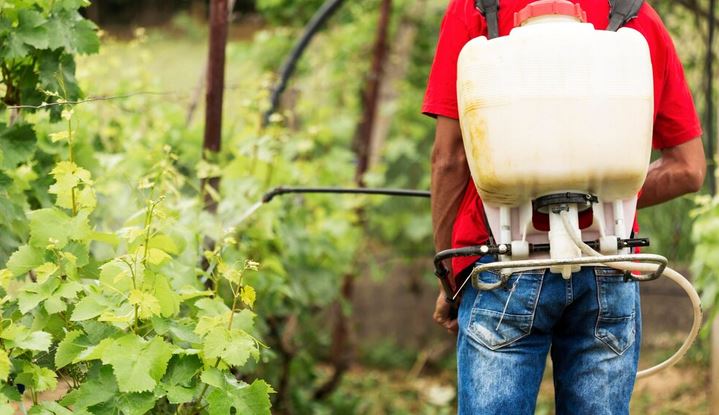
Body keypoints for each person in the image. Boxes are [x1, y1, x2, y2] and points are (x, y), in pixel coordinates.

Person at [422, 0, 706, 413]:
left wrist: (449, 277)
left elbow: (450, 159)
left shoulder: (477, 9)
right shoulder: (635, 14)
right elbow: (689, 168)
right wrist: (595, 193)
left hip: (502, 265)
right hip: (609, 263)